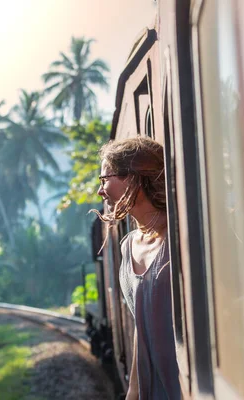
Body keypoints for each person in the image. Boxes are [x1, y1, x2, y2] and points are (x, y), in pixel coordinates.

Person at [95, 136, 181, 400]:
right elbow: (140, 329)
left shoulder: (181, 237)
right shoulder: (128, 245)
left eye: (104, 179)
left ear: (133, 178)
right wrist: (133, 392)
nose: (100, 191)